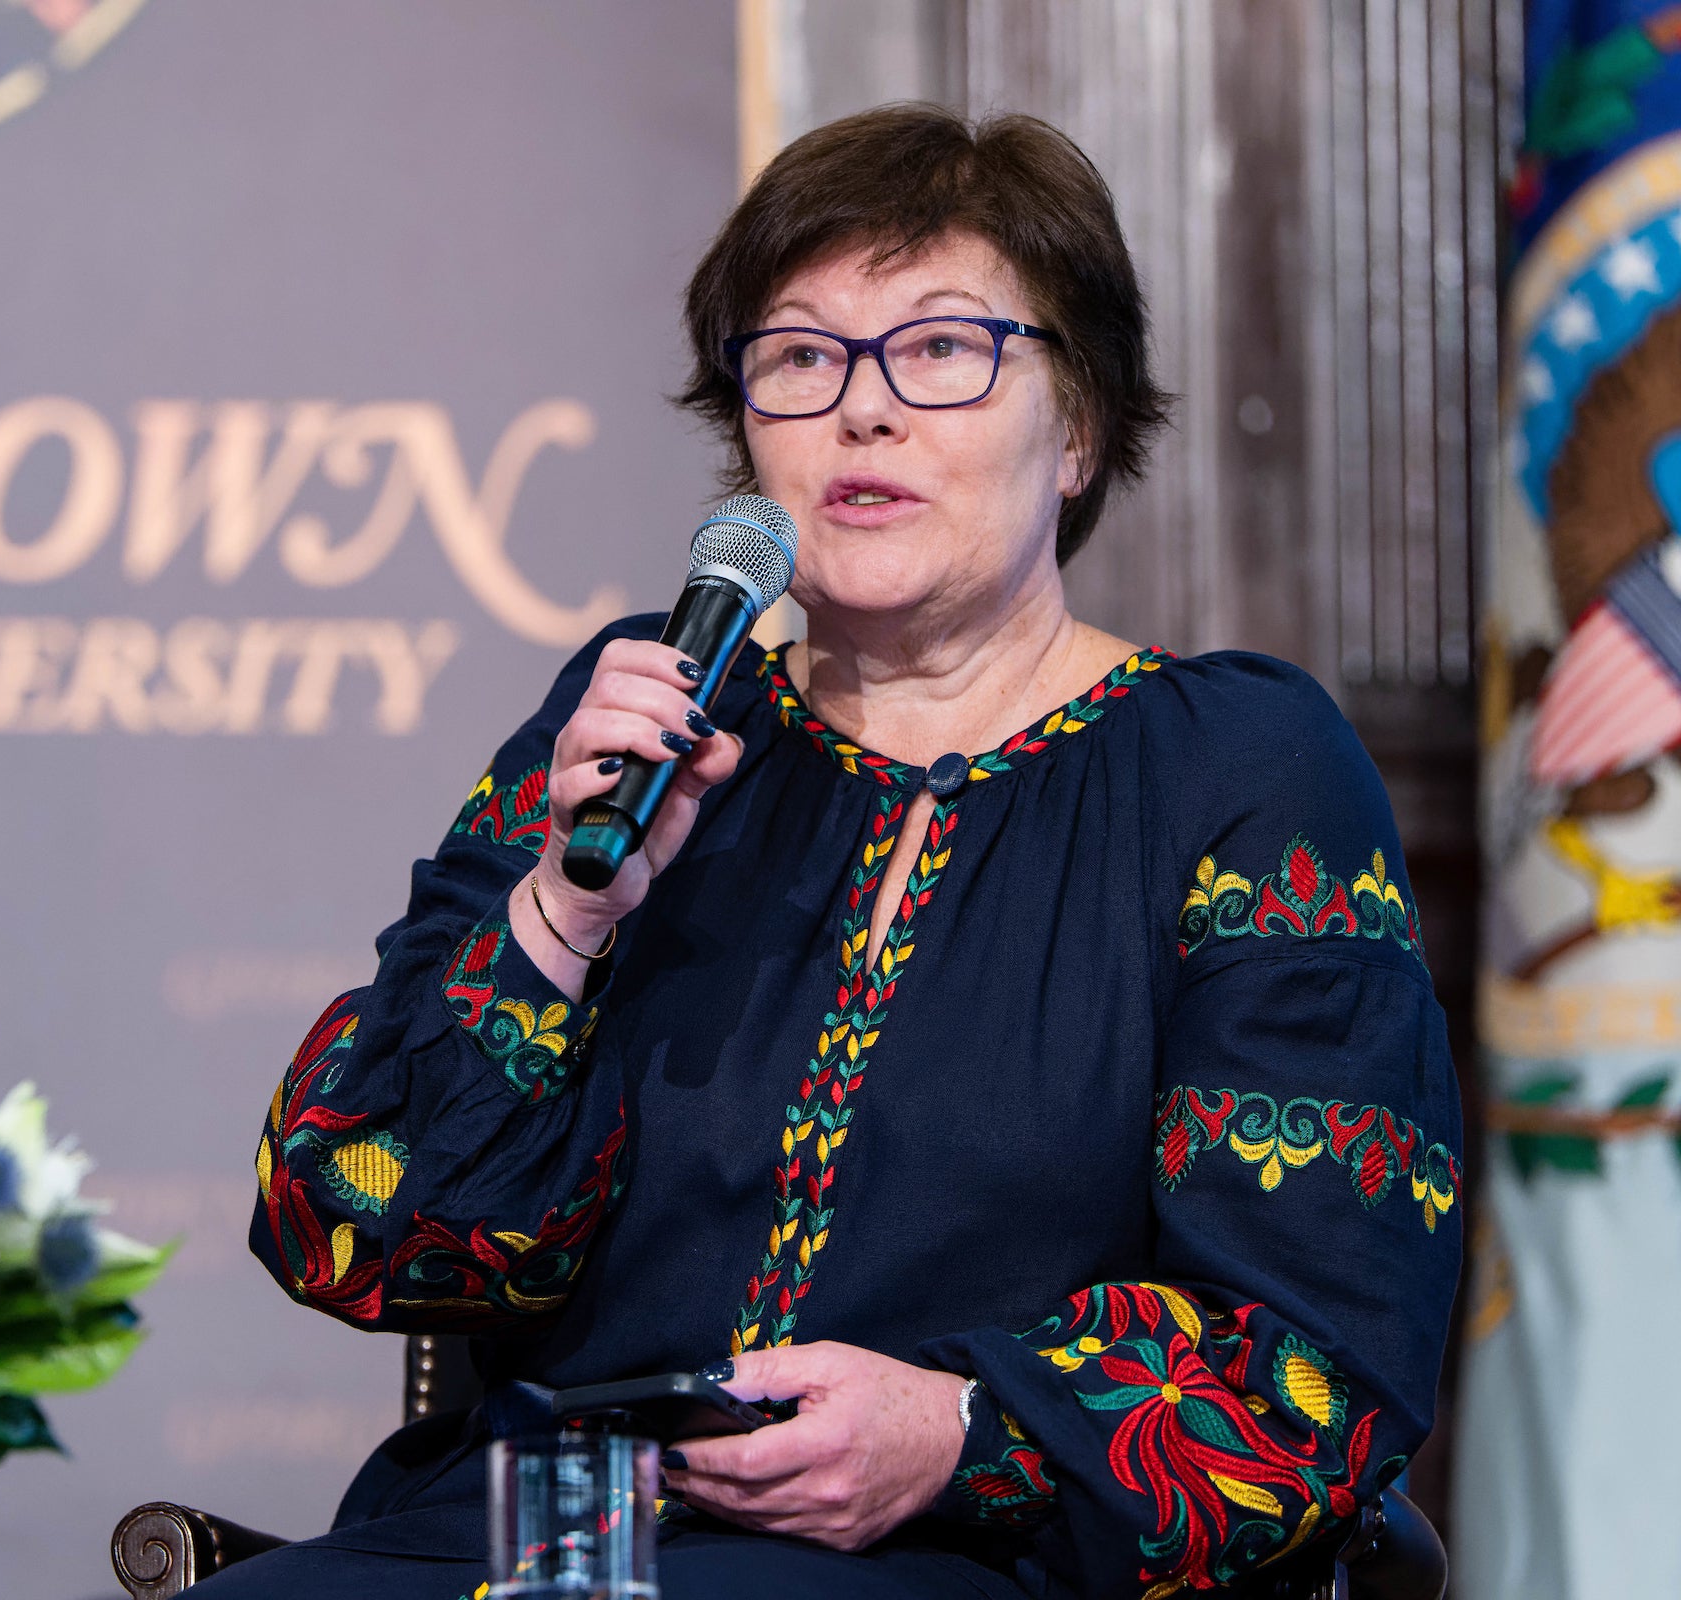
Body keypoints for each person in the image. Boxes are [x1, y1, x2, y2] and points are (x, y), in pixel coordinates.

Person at [213, 103, 1462, 1600]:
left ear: (1074, 428)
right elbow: (350, 1229)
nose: (863, 412)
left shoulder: (1236, 768)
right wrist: (562, 913)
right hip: (550, 1540)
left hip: (978, 1549)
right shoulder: (653, 707)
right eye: (801, 358)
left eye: (941, 349)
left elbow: (1314, 1348)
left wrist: (961, 1430)